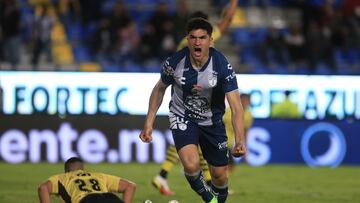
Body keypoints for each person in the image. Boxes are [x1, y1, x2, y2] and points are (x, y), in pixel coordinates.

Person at [139, 18, 246, 203]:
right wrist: (149, 123)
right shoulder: (175, 63)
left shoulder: (222, 65)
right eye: (193, 38)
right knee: (190, 164)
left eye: (202, 38)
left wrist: (240, 140)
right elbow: (159, 89)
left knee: (220, 175)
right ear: (187, 39)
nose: (197, 42)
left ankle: (216, 200)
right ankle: (210, 200)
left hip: (212, 122)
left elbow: (236, 107)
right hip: (183, 117)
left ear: (210, 40)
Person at [38, 157, 136, 203]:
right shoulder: (97, 175)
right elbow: (130, 186)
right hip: (109, 198)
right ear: (83, 168)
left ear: (66, 171)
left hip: (87, 200)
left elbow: (43, 188)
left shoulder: (62, 178)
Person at [223, 93, 253, 194]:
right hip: (223, 141)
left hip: (232, 144)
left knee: (229, 166)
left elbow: (245, 132)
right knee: (227, 165)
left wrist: (244, 146)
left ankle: (219, 186)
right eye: (243, 101)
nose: (245, 103)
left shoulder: (248, 115)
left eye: (247, 101)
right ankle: (220, 187)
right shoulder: (228, 111)